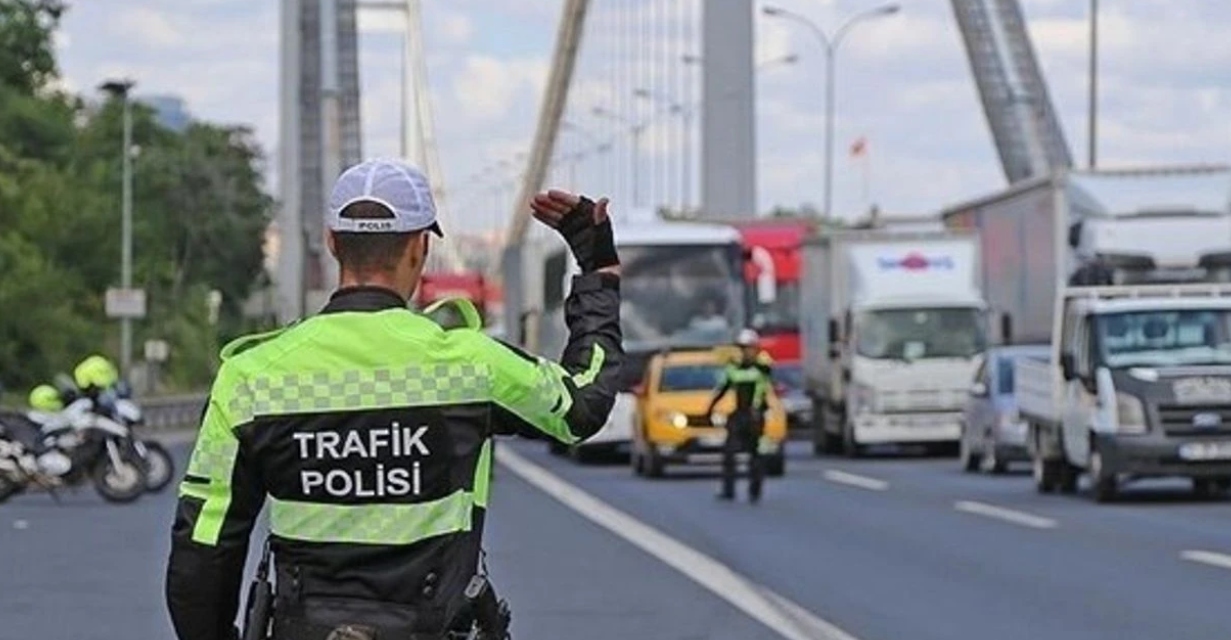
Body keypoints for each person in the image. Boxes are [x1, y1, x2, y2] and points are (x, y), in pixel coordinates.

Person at [164, 158, 623, 640]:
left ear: (333, 243)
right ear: (420, 247)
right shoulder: (471, 365)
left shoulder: (250, 378)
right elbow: (581, 406)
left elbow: (203, 546)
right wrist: (597, 270)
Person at [705, 329, 774, 504]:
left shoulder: (762, 368)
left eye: (749, 348)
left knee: (756, 455)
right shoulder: (733, 369)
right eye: (743, 348)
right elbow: (722, 389)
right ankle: (728, 490)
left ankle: (755, 490)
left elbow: (767, 379)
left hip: (756, 415)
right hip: (739, 414)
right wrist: (710, 409)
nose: (746, 352)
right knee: (729, 453)